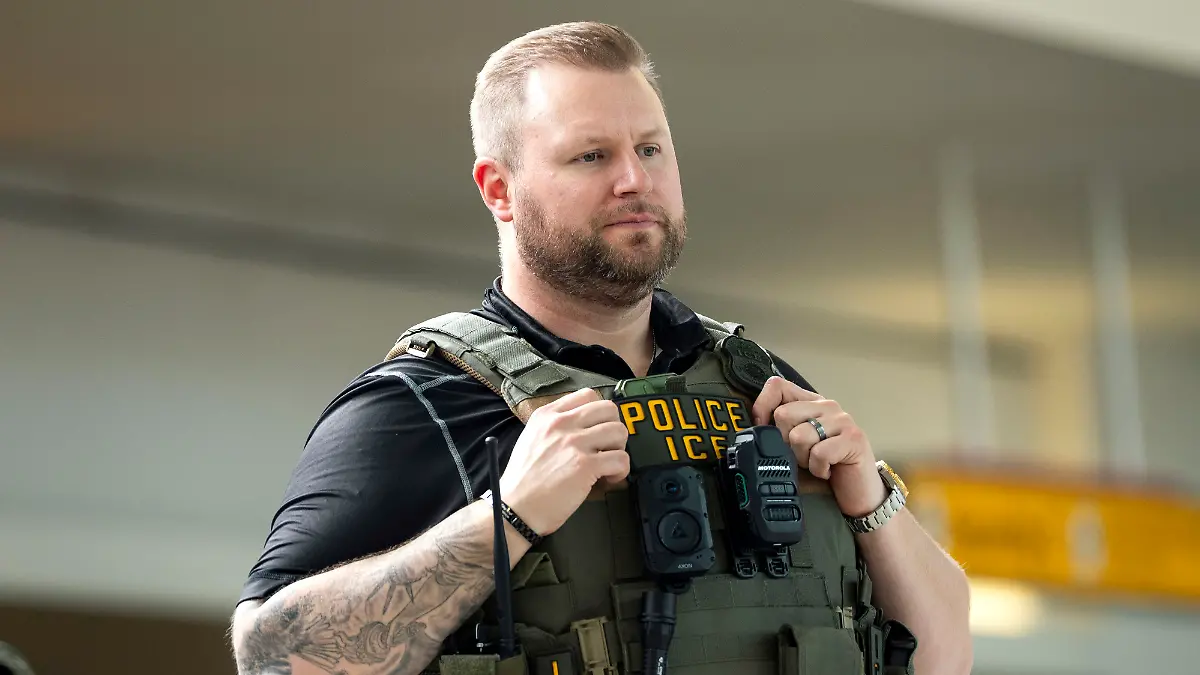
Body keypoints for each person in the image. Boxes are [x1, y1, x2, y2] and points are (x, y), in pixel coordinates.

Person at [230, 21, 973, 675]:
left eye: (650, 148)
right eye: (590, 156)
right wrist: (510, 517)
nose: (633, 179)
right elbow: (268, 655)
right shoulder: (421, 404)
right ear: (500, 190)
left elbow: (947, 653)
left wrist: (873, 501)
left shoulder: (763, 387)